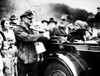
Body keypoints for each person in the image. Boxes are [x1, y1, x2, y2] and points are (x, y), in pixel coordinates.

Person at [14, 10, 50, 76]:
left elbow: (37, 37)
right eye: (29, 18)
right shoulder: (18, 29)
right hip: (23, 59)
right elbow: (27, 38)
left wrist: (46, 36)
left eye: (32, 18)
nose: (31, 20)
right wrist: (42, 36)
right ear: (23, 18)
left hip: (33, 59)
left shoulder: (32, 29)